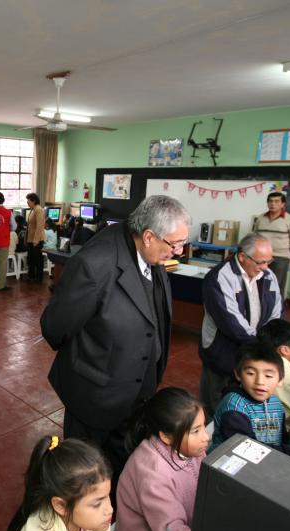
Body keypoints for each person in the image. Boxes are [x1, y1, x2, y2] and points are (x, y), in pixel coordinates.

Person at [41, 195, 190, 497]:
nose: (179, 252)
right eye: (174, 244)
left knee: (122, 464)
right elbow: (55, 328)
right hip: (95, 394)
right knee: (86, 477)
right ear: (148, 236)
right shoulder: (96, 265)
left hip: (136, 392)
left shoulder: (151, 252)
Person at [198, 232, 283, 415]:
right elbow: (230, 321)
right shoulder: (220, 277)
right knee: (214, 400)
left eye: (269, 261)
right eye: (260, 262)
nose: (265, 267)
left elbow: (276, 311)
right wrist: (261, 345)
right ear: (243, 257)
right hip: (222, 349)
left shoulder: (268, 275)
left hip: (253, 349)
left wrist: (268, 338)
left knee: (241, 400)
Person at [116, 388, 208, 531]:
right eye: (196, 431)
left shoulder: (190, 448)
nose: (205, 437)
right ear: (166, 437)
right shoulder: (153, 474)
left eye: (203, 426)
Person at [7, 436, 113, 531]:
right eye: (97, 504)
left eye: (108, 495)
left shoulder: (99, 522)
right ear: (61, 505)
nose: (110, 510)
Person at [209, 342, 290, 458]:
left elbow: (281, 435)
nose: (260, 381)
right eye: (251, 373)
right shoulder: (234, 408)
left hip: (267, 460)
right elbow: (246, 449)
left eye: (268, 376)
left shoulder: (275, 403)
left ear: (280, 380)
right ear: (238, 374)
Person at [252, 191, 290, 298]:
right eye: (270, 201)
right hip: (261, 257)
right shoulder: (261, 218)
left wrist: (287, 250)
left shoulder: (289, 219)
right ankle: (259, 308)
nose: (273, 204)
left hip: (280, 258)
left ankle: (275, 310)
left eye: (276, 201)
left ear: (283, 204)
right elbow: (255, 236)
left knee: (276, 285)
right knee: (257, 282)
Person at [25, 193, 46, 282]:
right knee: (31, 259)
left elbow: (39, 226)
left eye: (28, 201)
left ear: (33, 201)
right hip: (30, 238)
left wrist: (36, 240)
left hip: (36, 239)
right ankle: (31, 276)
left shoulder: (38, 210)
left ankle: (38, 277)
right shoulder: (32, 209)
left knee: (37, 259)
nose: (27, 202)